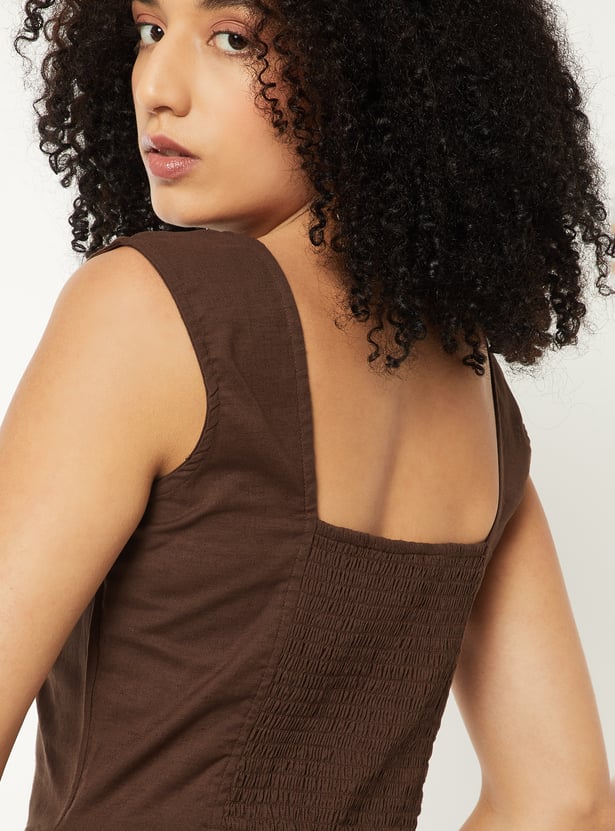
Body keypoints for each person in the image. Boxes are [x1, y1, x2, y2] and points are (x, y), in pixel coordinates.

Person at [1, 0, 614, 828]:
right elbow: (564, 802)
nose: (157, 87)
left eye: (232, 39)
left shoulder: (150, 311)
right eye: (150, 30)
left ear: (367, 71)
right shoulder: (475, 396)